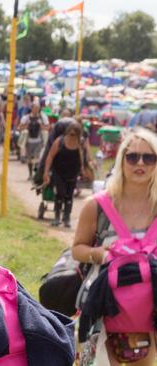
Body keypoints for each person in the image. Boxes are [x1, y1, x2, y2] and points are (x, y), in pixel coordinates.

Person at [72, 128, 157, 365]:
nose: (140, 163)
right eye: (132, 157)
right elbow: (77, 249)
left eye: (149, 158)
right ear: (121, 161)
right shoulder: (97, 206)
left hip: (150, 313)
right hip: (104, 308)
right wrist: (99, 254)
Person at [43, 122, 84, 227]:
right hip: (59, 172)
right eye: (71, 133)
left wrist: (82, 170)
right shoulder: (60, 141)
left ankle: (67, 218)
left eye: (75, 134)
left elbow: (81, 158)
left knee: (69, 196)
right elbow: (50, 156)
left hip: (72, 174)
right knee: (60, 193)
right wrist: (46, 172)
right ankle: (57, 217)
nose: (72, 136)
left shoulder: (79, 143)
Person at [19, 103, 47, 180]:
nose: (36, 110)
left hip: (38, 141)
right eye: (34, 108)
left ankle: (35, 174)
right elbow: (20, 127)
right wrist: (26, 126)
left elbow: (47, 127)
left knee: (36, 159)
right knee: (29, 159)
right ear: (32, 108)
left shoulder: (42, 117)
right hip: (29, 141)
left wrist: (41, 125)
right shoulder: (26, 117)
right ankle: (30, 174)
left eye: (37, 108)